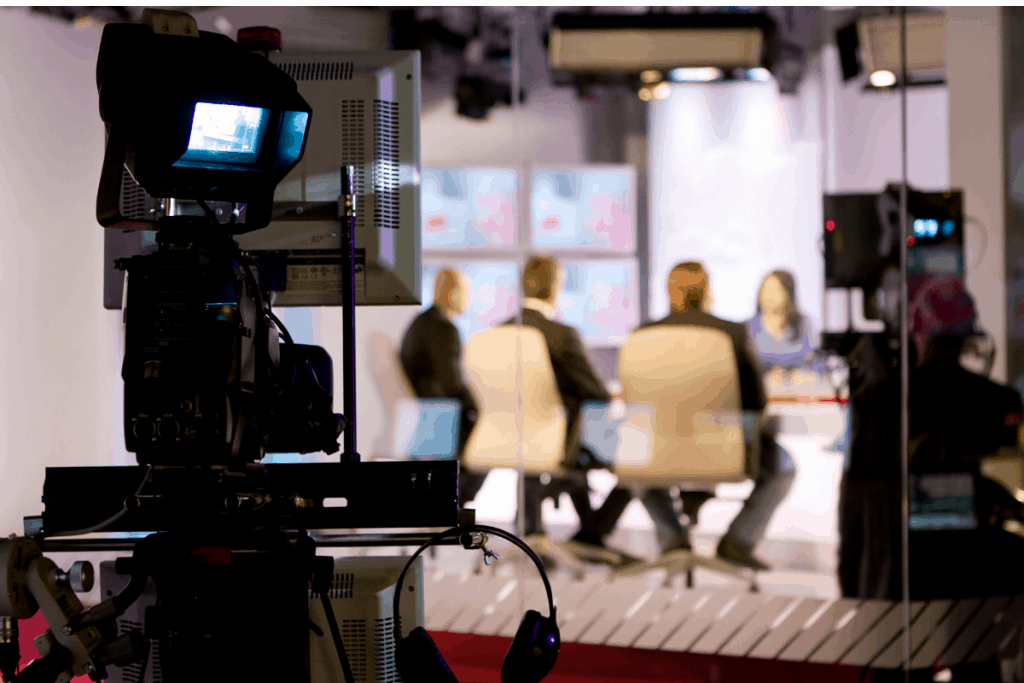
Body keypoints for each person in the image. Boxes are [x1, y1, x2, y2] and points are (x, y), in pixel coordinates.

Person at [840, 275, 1024, 682]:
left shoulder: (874, 402)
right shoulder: (998, 403)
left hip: (896, 573)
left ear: (914, 329)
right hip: (973, 574)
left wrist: (851, 583)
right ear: (971, 333)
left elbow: (854, 505)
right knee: (978, 669)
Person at [572, 261, 793, 571]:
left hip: (656, 451)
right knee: (784, 466)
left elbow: (635, 404)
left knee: (633, 448)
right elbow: (756, 402)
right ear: (707, 293)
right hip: (721, 450)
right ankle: (738, 541)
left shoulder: (641, 335)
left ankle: (672, 537)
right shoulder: (730, 333)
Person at [499, 254, 612, 538]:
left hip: (508, 435)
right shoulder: (560, 334)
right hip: (556, 438)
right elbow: (597, 394)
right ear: (555, 287)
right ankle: (593, 533)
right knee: (609, 436)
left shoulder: (497, 333)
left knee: (576, 436)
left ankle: (585, 532)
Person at [400, 268, 483, 506]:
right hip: (438, 419)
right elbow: (452, 384)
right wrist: (479, 404)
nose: (469, 298)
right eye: (466, 291)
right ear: (454, 292)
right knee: (488, 429)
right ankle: (452, 501)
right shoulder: (443, 328)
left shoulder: (421, 323)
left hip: (420, 415)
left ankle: (446, 500)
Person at [747, 270, 814, 370]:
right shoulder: (748, 328)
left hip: (798, 383)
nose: (769, 296)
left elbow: (814, 361)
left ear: (788, 294)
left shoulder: (803, 324)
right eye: (765, 290)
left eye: (776, 290)